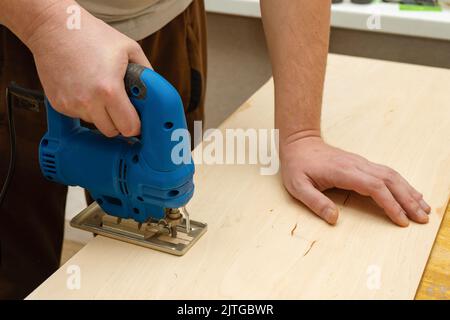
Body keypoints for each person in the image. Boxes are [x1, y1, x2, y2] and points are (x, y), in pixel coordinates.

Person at [0, 0, 430, 299]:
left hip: (166, 18)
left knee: (148, 277)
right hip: (15, 25)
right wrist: (47, 24)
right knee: (14, 267)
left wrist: (301, 135)